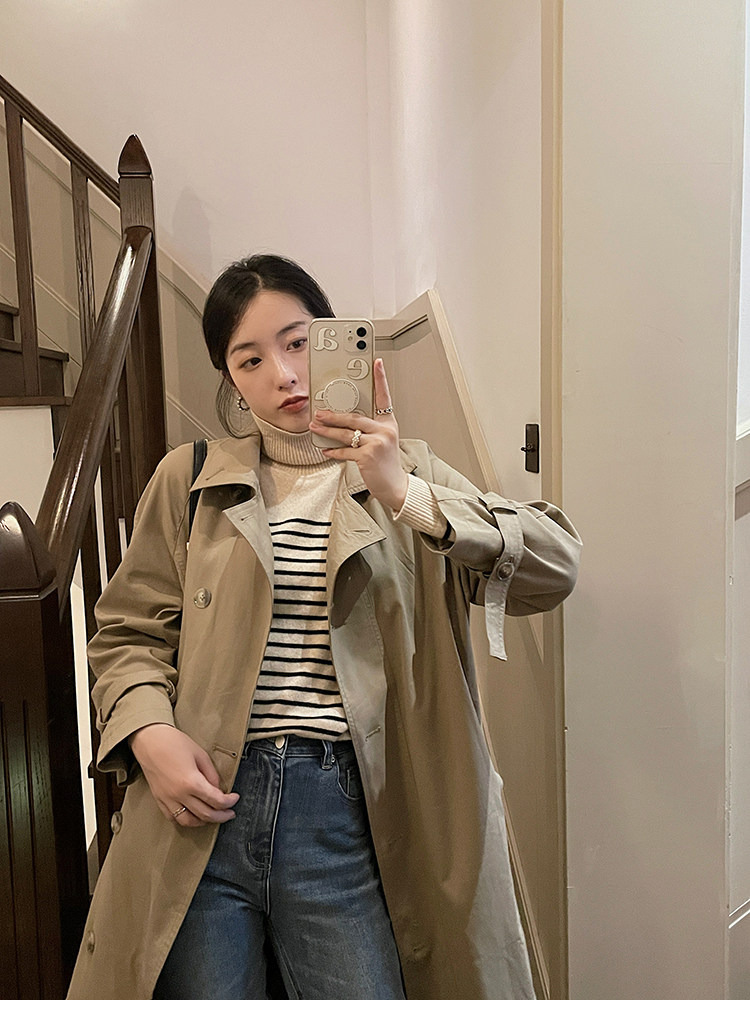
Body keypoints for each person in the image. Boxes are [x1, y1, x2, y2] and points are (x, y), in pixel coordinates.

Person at [67, 254, 581, 1001]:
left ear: (340, 340)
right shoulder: (189, 479)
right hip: (200, 810)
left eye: (299, 342)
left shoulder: (408, 471)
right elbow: (127, 634)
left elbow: (554, 567)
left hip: (345, 811)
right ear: (231, 379)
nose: (283, 374)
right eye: (250, 359)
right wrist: (149, 733)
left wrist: (404, 494)